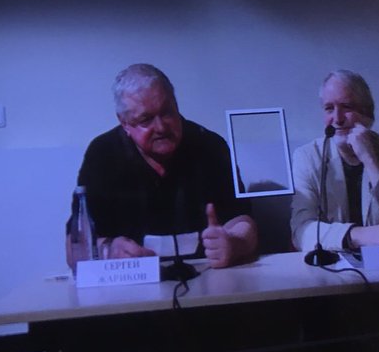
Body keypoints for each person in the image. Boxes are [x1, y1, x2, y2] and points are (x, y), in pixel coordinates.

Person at [68, 64, 257, 269]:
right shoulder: (102, 155)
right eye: (146, 119)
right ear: (124, 123)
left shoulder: (210, 145)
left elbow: (244, 222)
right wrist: (107, 250)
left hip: (208, 275)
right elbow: (74, 248)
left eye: (167, 112)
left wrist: (234, 244)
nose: (160, 127)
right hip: (135, 283)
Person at [290, 70, 379, 253]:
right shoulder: (307, 157)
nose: (337, 119)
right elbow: (300, 232)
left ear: (367, 114)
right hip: (332, 265)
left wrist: (370, 160)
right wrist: (358, 235)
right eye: (329, 108)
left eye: (346, 107)